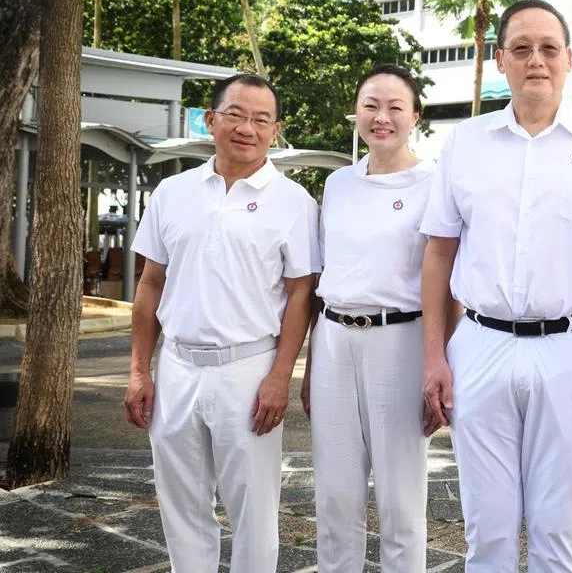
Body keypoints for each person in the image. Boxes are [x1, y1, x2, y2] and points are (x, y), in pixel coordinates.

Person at [419, 0, 572, 572]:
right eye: (521, 48)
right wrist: (434, 356)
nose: (536, 60)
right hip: (480, 345)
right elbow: (438, 255)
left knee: (557, 524)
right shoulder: (466, 143)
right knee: (487, 526)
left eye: (549, 48)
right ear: (500, 60)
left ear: (570, 59)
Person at [125, 73, 319, 572]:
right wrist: (139, 371)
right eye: (234, 114)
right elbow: (150, 284)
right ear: (210, 120)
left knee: (253, 510)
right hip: (177, 367)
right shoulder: (172, 191)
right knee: (182, 506)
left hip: (249, 370)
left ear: (275, 130)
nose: (246, 128)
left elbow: (303, 294)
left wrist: (280, 377)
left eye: (260, 119)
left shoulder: (295, 201)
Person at [302, 65, 434, 572]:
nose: (382, 118)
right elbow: (325, 279)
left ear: (414, 116)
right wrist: (313, 367)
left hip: (401, 340)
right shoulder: (338, 183)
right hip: (335, 338)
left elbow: (448, 285)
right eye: (371, 106)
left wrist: (436, 365)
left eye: (395, 107)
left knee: (400, 500)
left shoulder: (435, 182)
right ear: (355, 112)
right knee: (335, 495)